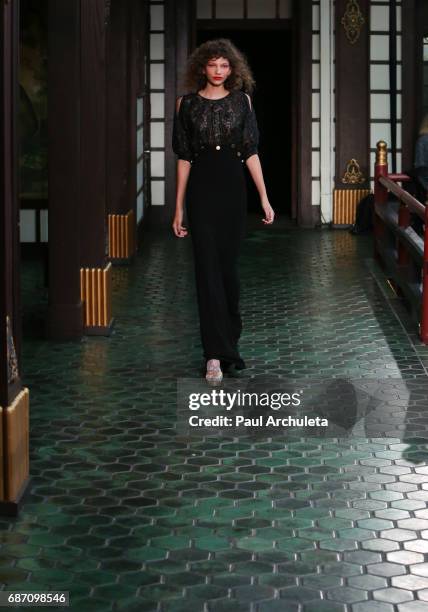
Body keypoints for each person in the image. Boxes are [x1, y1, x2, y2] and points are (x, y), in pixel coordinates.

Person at [172, 38, 274, 384]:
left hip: (232, 189)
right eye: (213, 65)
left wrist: (264, 197)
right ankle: (213, 355)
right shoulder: (184, 104)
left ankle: (230, 345)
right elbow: (184, 159)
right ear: (202, 67)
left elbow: (251, 152)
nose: (219, 71)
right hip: (200, 190)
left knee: (228, 271)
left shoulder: (242, 102)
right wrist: (178, 209)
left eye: (225, 65)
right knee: (206, 270)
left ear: (232, 69)